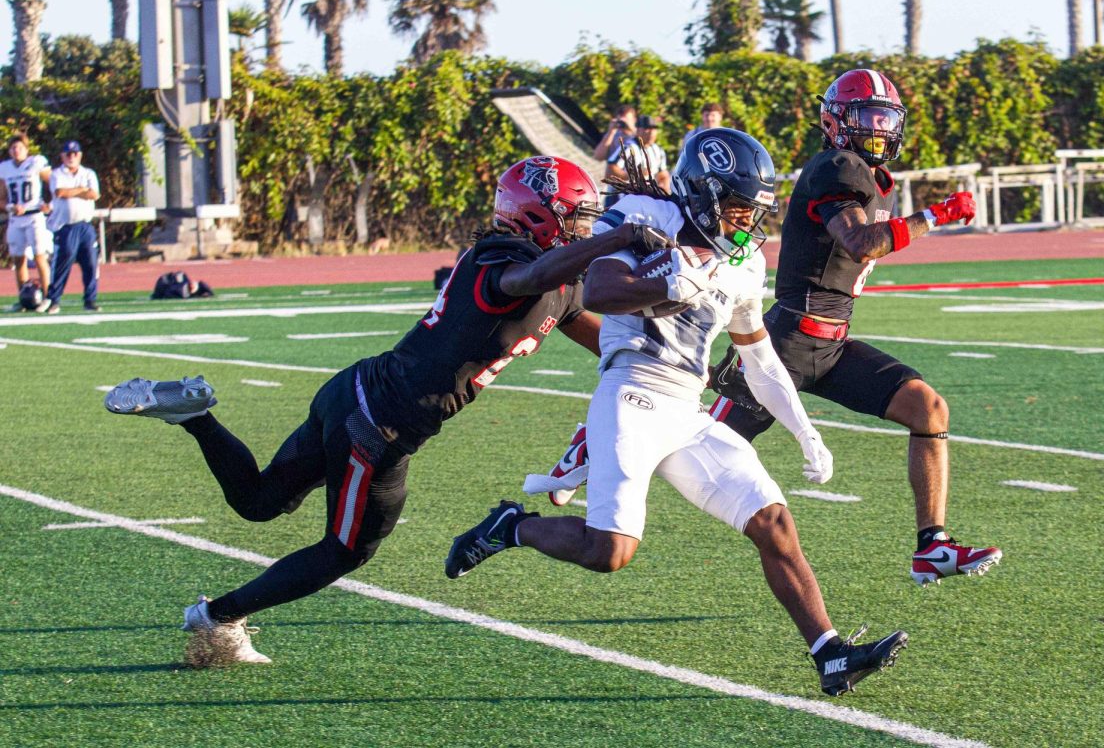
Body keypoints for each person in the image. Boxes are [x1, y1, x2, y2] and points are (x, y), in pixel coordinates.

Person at [103, 156, 669, 668]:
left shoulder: (563, 281)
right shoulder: (502, 256)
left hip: (358, 393)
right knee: (344, 551)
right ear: (535, 215)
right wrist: (612, 241)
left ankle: (196, 415)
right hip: (377, 425)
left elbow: (610, 344)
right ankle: (218, 619)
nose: (585, 229)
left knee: (257, 501)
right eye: (577, 218)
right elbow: (527, 280)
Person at [446, 130, 908, 697]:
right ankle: (512, 528)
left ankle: (830, 653)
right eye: (738, 206)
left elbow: (758, 357)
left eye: (756, 209)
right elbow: (599, 292)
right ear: (703, 192)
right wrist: (668, 279)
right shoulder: (645, 216)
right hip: (631, 393)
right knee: (609, 551)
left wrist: (804, 431)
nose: (746, 221)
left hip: (687, 410)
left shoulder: (742, 262)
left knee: (773, 521)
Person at [706, 68, 1002, 587]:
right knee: (692, 438)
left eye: (886, 119)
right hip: (786, 346)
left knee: (927, 407)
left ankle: (932, 546)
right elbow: (860, 242)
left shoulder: (864, 172)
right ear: (836, 121)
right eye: (868, 118)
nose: (880, 129)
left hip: (834, 345)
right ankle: (590, 450)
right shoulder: (837, 166)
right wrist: (935, 215)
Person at [44, 140, 101, 314]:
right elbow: (60, 193)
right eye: (68, 154)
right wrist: (81, 189)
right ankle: (54, 300)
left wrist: (75, 191)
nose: (71, 157)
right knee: (62, 264)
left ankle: (90, 299)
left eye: (75, 153)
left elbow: (94, 194)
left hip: (85, 225)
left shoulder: (88, 173)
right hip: (65, 226)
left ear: (80, 155)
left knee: (90, 264)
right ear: (62, 156)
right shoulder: (56, 174)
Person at [0, 134, 53, 312]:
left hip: (35, 216)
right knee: (18, 259)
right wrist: (10, 207)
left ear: (27, 149)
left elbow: (53, 181)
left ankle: (48, 297)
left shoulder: (36, 162)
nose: (16, 151)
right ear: (9, 151)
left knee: (40, 257)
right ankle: (24, 298)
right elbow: (1, 198)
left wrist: (50, 204)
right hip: (15, 219)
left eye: (20, 148)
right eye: (13, 148)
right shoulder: (4, 168)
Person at [619, 115, 670, 193]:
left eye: (653, 129)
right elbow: (610, 171)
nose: (651, 132)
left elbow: (663, 175)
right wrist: (635, 176)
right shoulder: (628, 147)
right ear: (638, 130)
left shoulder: (658, 150)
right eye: (647, 128)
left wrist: (664, 190)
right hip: (626, 195)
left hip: (649, 195)